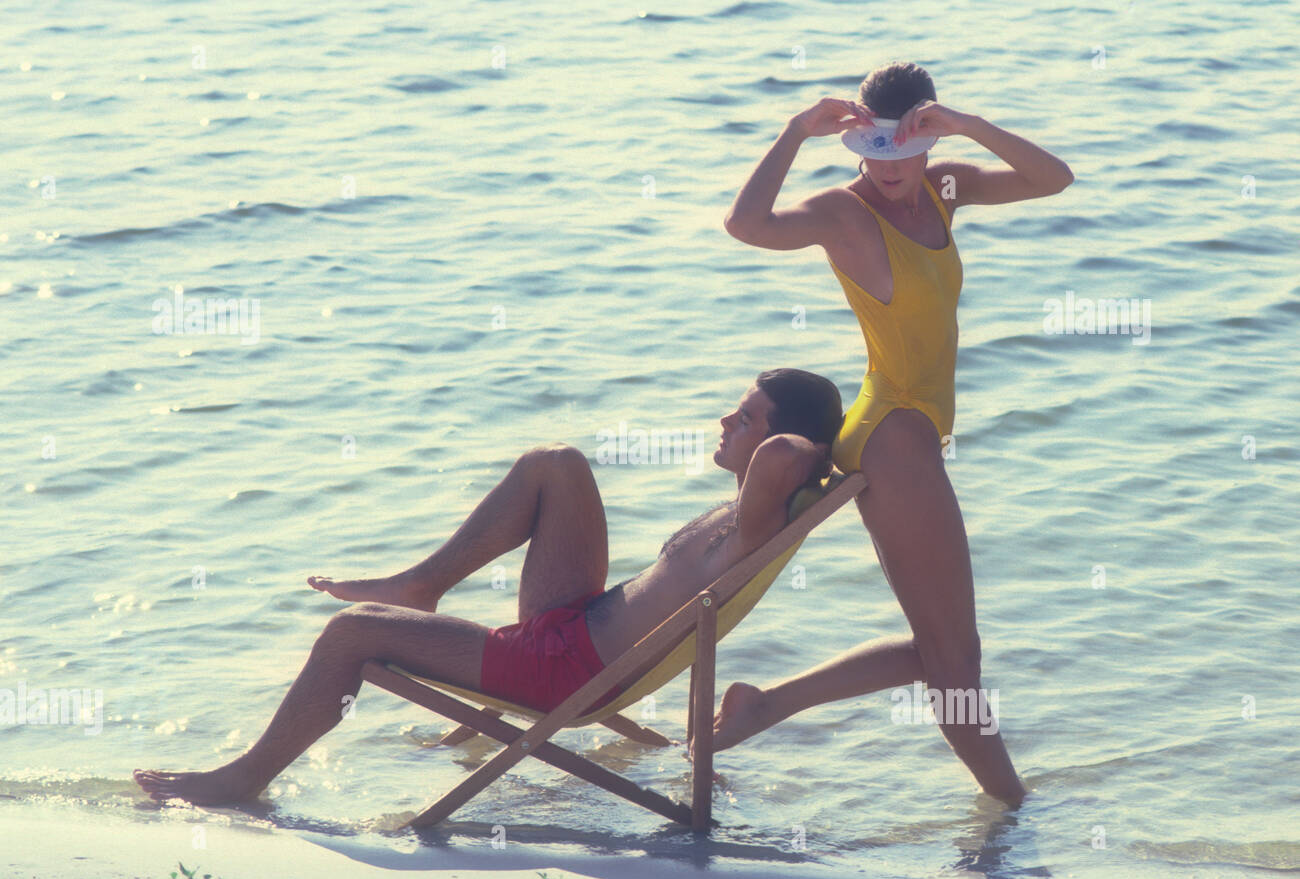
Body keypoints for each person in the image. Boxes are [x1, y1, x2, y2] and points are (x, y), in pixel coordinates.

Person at [134, 369, 843, 807]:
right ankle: (423, 585)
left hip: (561, 671)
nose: (725, 420)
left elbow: (785, 451)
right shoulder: (748, 509)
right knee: (555, 464)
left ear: (785, 448)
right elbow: (778, 446)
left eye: (744, 416)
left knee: (349, 632)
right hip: (573, 627)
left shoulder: (760, 515)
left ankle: (242, 781)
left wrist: (829, 442)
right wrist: (815, 437)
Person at [717, 61, 1074, 807]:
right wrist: (791, 132)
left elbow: (1053, 179)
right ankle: (1017, 819)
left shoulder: (944, 189)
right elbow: (745, 226)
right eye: (871, 152)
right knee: (956, 660)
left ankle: (765, 705)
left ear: (925, 135)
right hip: (891, 436)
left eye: (902, 150)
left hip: (914, 432)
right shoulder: (845, 213)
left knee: (941, 650)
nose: (886, 170)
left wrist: (970, 126)